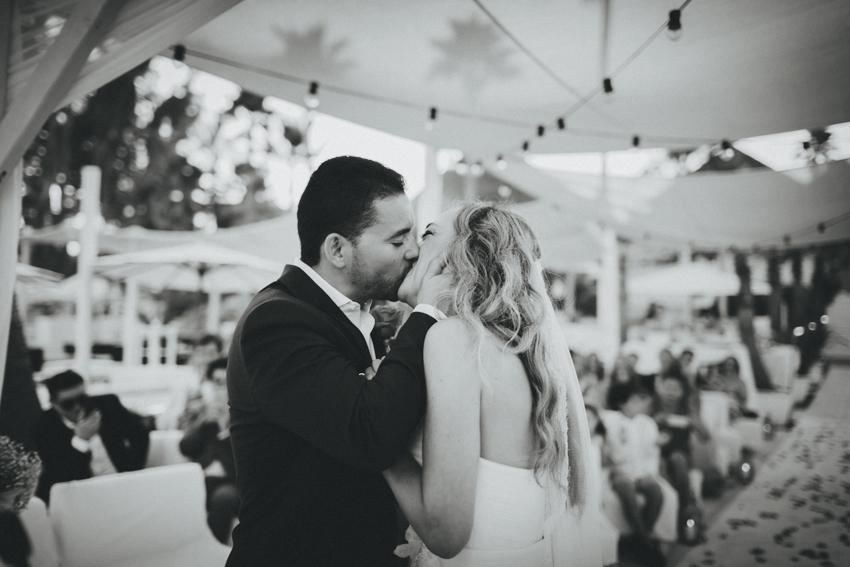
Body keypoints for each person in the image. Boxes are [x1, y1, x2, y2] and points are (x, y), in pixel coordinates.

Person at [225, 156, 451, 567]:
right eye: (397, 241)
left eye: (414, 236)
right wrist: (428, 311)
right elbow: (371, 434)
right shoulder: (276, 322)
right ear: (337, 249)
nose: (414, 252)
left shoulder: (362, 314)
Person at [381, 204, 600, 566]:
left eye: (428, 234)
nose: (412, 250)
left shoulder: (456, 340)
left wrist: (376, 434)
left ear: (460, 258)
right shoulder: (510, 351)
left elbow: (445, 533)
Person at [31, 370, 150, 503]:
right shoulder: (44, 427)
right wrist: (81, 441)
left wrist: (134, 469)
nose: (77, 407)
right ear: (54, 404)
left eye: (82, 399)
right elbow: (61, 474)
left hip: (122, 483)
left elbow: (140, 433)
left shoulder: (108, 405)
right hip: (81, 496)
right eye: (68, 404)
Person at [605, 381, 666, 566]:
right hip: (620, 471)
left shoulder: (647, 423)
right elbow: (611, 453)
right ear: (622, 403)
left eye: (640, 401)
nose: (640, 405)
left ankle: (640, 539)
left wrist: (649, 473)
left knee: (656, 491)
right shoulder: (611, 421)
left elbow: (652, 453)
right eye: (634, 401)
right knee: (626, 488)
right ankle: (646, 545)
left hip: (642, 472)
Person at [179, 358, 238, 544]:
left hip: (235, 483)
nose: (221, 390)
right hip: (204, 478)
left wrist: (225, 430)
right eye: (217, 383)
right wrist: (203, 421)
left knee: (223, 496)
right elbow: (185, 447)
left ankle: (212, 548)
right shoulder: (209, 419)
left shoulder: (245, 418)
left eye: (225, 382)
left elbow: (240, 465)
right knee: (179, 487)